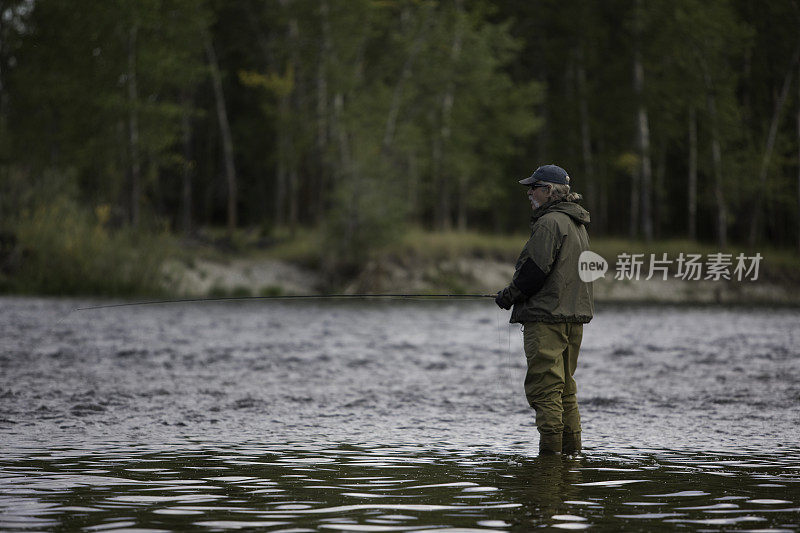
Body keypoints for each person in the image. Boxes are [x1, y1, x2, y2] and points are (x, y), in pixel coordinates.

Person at [495, 164, 593, 455]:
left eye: (534, 187)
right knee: (565, 390)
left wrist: (508, 295)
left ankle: (549, 463)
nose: (529, 193)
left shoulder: (550, 222)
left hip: (547, 318)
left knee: (545, 389)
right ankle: (572, 457)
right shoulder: (577, 223)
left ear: (549, 190)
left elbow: (535, 270)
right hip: (572, 317)